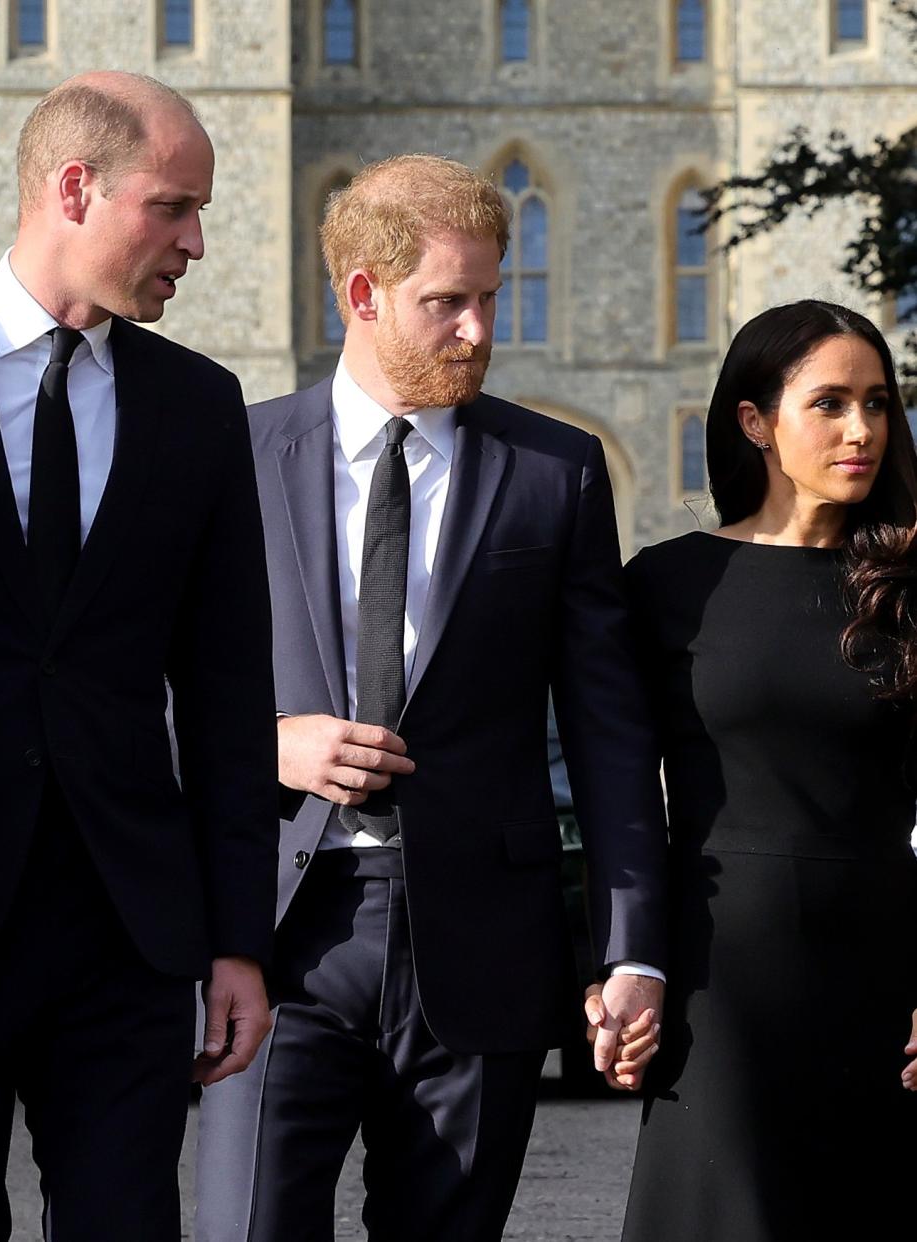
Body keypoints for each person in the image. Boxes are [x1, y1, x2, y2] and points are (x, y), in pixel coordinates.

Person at [0, 72, 277, 1241]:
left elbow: (230, 695)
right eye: (174, 208)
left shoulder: (199, 404)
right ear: (74, 188)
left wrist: (238, 940)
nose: (194, 242)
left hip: (127, 929)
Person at [194, 153, 667, 1242]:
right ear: (362, 294)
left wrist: (629, 944)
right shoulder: (238, 453)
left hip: (482, 940)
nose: (477, 330)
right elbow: (142, 683)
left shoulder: (558, 472)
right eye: (444, 302)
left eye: (488, 298)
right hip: (280, 932)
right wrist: (265, 744)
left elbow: (607, 729)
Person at [617, 300, 917, 1241]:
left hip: (886, 973)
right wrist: (624, 966)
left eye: (877, 402)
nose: (861, 430)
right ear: (756, 422)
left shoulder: (912, 586)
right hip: (719, 983)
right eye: (829, 403)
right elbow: (619, 792)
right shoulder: (665, 585)